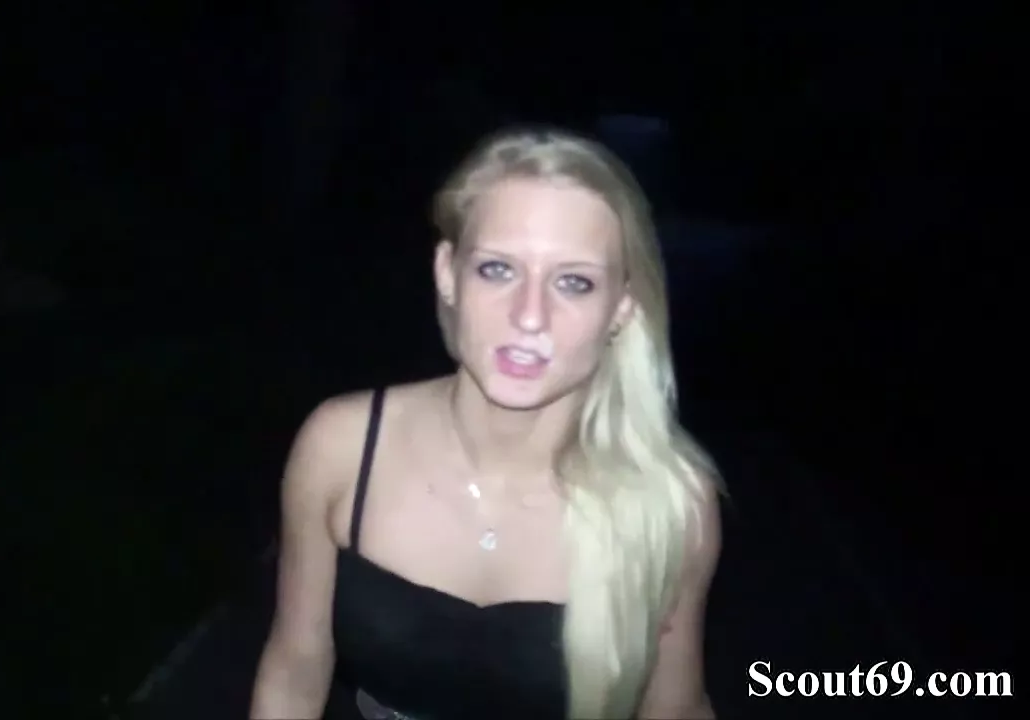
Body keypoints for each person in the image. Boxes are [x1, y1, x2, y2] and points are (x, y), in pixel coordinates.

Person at [249, 126, 723, 720]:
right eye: (498, 269)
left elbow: (675, 708)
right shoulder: (342, 447)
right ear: (447, 273)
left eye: (573, 282)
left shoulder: (671, 503)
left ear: (621, 307)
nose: (530, 316)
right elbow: (295, 669)